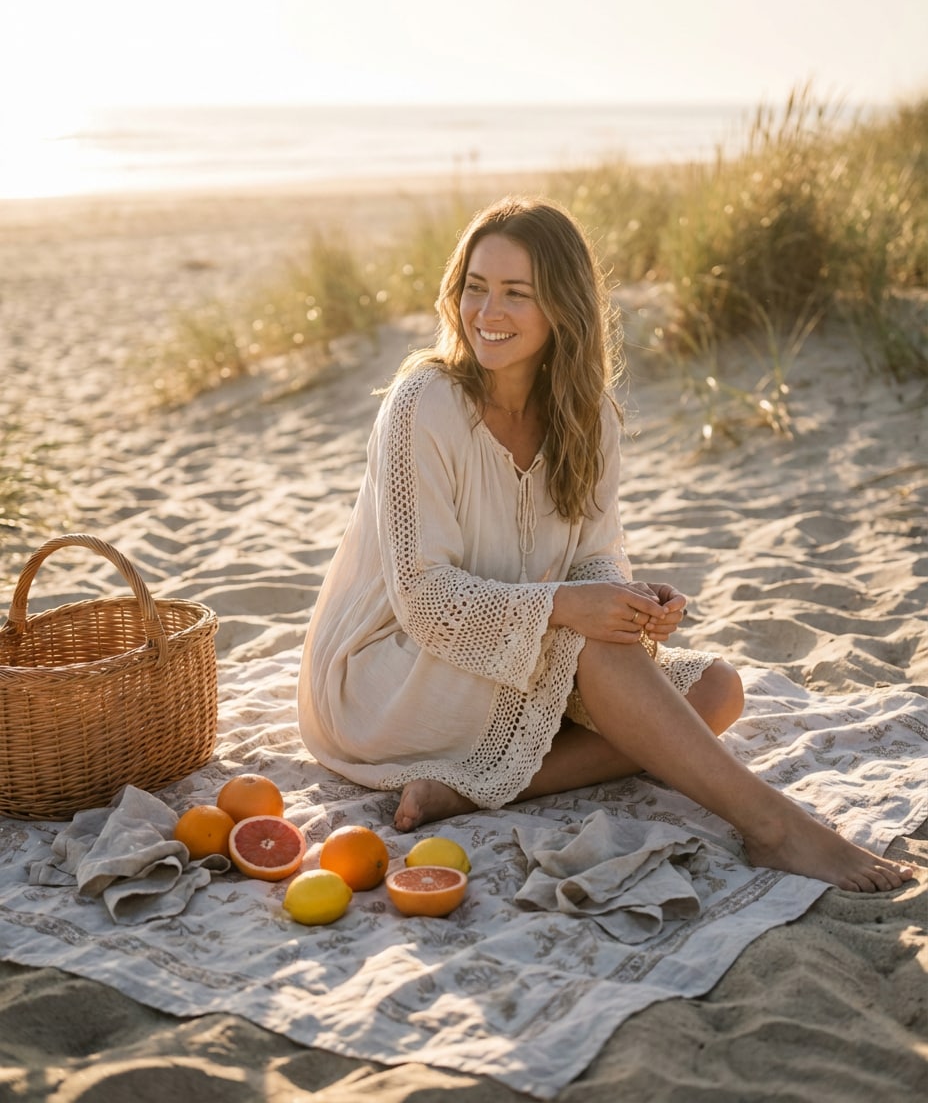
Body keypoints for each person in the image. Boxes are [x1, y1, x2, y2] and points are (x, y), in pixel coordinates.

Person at [298, 195, 911, 893]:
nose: (487, 312)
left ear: (562, 305)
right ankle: (774, 827)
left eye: (517, 293)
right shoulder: (424, 403)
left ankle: (471, 789)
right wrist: (569, 606)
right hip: (392, 670)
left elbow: (592, 555)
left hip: (512, 648)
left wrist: (627, 599)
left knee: (717, 689)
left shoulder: (587, 416)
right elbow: (424, 599)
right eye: (475, 286)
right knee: (592, 643)